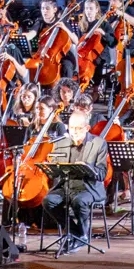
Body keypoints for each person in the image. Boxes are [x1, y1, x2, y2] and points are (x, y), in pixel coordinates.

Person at [42, 105, 108, 248]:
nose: (74, 132)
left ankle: (81, 234)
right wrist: (50, 167)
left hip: (88, 188)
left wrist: (88, 168)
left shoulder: (98, 143)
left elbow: (102, 174)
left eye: (78, 128)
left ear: (87, 128)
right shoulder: (61, 142)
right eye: (72, 128)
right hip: (66, 186)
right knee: (48, 201)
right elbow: (56, 170)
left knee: (79, 201)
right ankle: (76, 233)